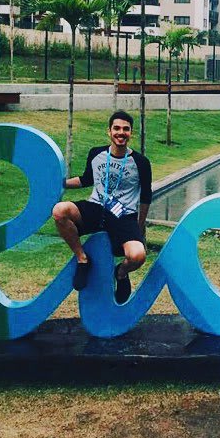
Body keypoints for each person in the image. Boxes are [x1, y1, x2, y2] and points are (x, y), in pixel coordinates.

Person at [52, 110, 152, 304]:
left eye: (126, 129)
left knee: (137, 255)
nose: (121, 133)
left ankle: (121, 274)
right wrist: (61, 183)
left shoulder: (140, 162)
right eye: (116, 128)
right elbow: (86, 179)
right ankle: (82, 259)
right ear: (109, 131)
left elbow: (146, 196)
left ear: (131, 133)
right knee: (59, 211)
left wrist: (140, 226)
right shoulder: (96, 153)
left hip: (124, 216)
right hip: (95, 208)